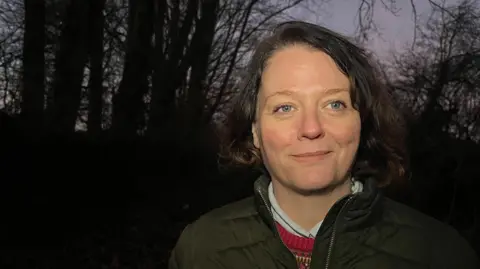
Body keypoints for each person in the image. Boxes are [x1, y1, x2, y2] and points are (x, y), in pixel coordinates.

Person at [168, 21, 479, 269]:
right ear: (256, 132)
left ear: (362, 121)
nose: (311, 128)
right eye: (285, 108)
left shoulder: (442, 254)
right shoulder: (200, 250)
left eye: (334, 104)